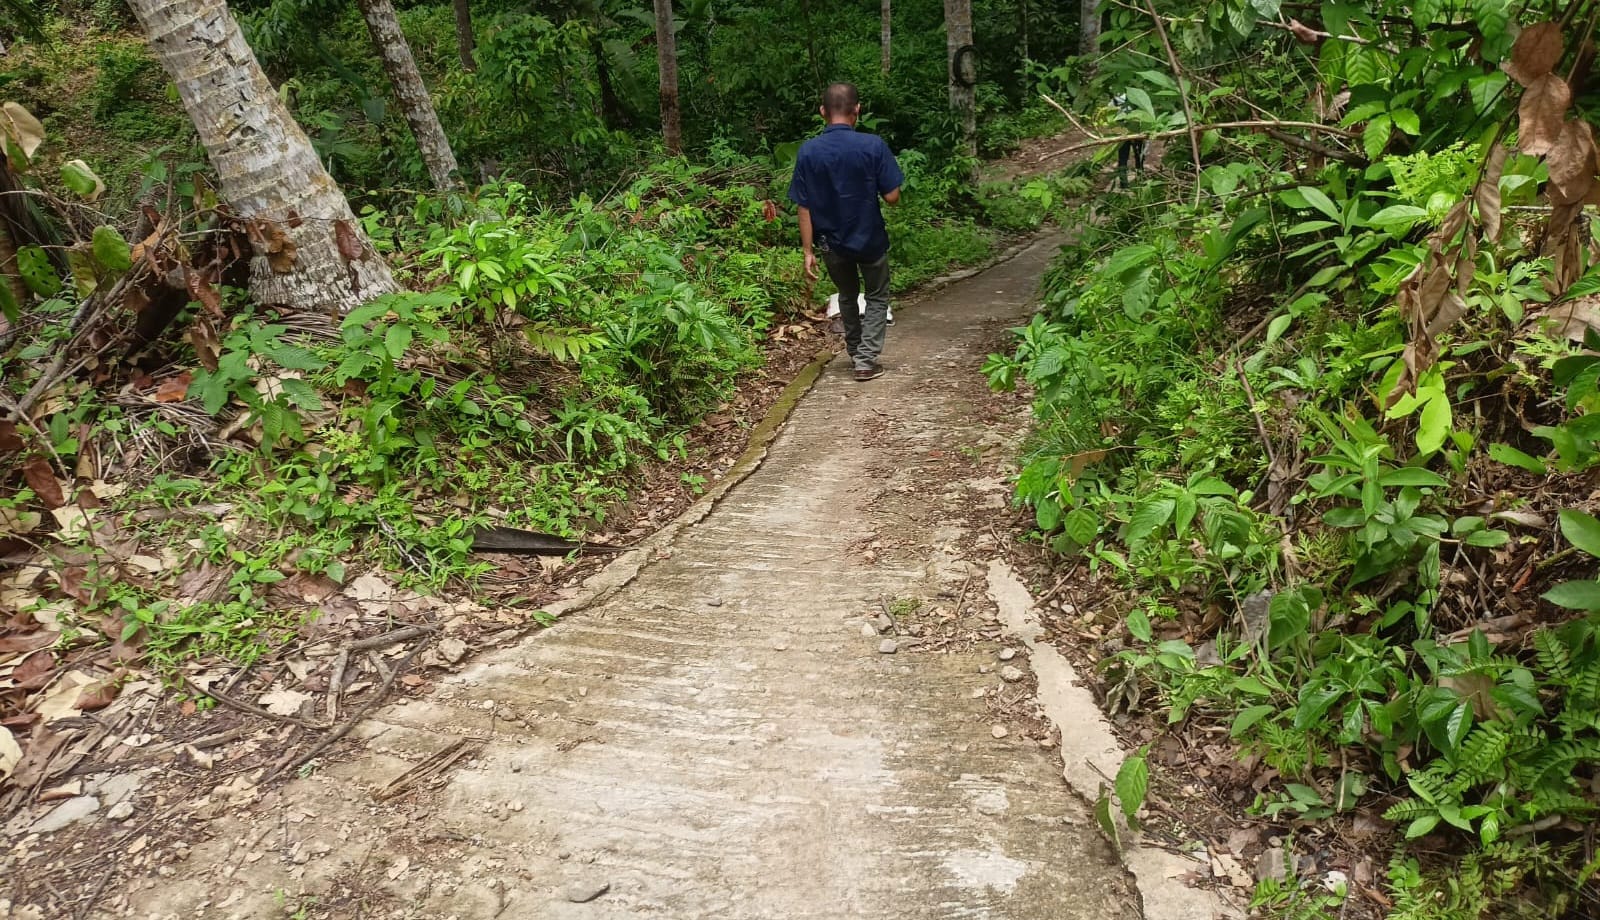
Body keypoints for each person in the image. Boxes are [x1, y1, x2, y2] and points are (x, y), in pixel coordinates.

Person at [787, 82, 904, 382]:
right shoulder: (873, 146)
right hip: (870, 239)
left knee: (848, 295)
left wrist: (808, 251)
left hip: (831, 242)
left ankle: (855, 351)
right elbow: (892, 197)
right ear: (857, 110)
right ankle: (866, 360)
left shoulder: (809, 151)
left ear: (823, 111)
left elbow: (804, 207)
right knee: (877, 296)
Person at [1111, 92, 1146, 189]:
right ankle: (1141, 179)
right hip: (1137, 132)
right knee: (1140, 156)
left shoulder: (1114, 100)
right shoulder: (1136, 98)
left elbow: (1111, 118)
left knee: (1122, 158)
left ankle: (1123, 184)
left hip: (1122, 133)